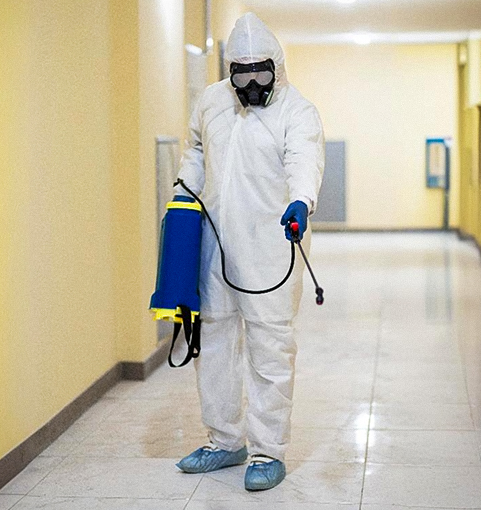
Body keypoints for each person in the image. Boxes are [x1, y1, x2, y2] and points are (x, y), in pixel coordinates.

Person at [173, 12, 324, 491]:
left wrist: (301, 200)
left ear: (276, 68)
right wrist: (183, 196)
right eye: (243, 72)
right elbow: (195, 150)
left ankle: (267, 451)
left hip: (270, 249)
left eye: (261, 71)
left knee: (270, 351)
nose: (252, 82)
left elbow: (305, 158)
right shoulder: (212, 102)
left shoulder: (296, 111)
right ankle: (225, 441)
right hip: (215, 248)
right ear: (230, 71)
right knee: (213, 347)